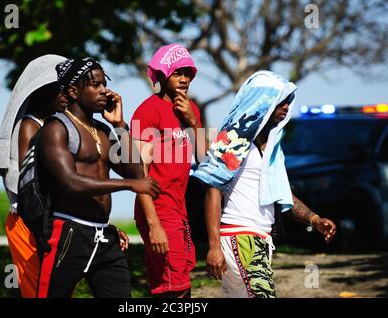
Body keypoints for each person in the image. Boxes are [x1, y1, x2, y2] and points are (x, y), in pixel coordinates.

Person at [193, 71, 337, 298]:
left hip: (259, 239)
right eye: (281, 101)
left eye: (288, 102)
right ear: (263, 100)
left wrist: (314, 219)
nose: (287, 108)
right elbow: (213, 190)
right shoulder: (234, 138)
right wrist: (213, 247)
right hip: (240, 237)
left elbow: (282, 195)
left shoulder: (270, 147)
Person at [35, 57, 160, 298]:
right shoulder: (56, 129)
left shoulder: (103, 131)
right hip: (68, 234)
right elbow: (70, 182)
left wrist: (120, 125)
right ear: (73, 91)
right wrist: (129, 185)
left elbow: (134, 171)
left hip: (104, 236)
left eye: (104, 84)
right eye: (95, 85)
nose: (105, 90)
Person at [130, 44, 208, 298]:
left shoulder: (190, 110)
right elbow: (138, 174)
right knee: (173, 287)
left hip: (179, 208)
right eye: (177, 73)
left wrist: (194, 122)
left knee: (180, 280)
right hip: (158, 208)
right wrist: (153, 224)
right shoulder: (147, 112)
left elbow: (205, 158)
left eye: (188, 73)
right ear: (163, 76)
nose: (184, 79)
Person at [0, 54, 67, 297]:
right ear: (42, 90)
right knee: (38, 291)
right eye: (61, 89)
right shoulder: (30, 127)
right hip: (29, 221)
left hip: (46, 220)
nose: (68, 94)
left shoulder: (53, 125)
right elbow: (30, 183)